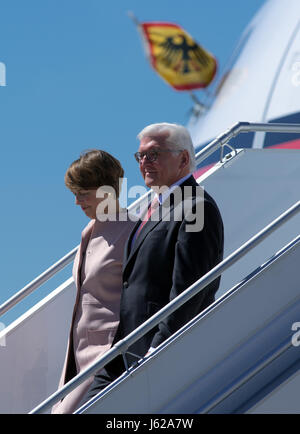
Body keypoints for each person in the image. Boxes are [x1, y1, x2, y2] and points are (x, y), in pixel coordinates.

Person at [80, 122, 224, 407]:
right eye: (141, 156)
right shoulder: (153, 207)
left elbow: (189, 291)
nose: (145, 163)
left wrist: (159, 348)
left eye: (154, 154)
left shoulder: (196, 207)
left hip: (156, 353)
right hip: (124, 351)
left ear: (183, 159)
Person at [52, 149, 136, 414]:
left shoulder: (133, 230)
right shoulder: (88, 230)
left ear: (106, 191)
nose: (77, 202)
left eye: (82, 193)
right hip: (77, 355)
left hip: (107, 354)